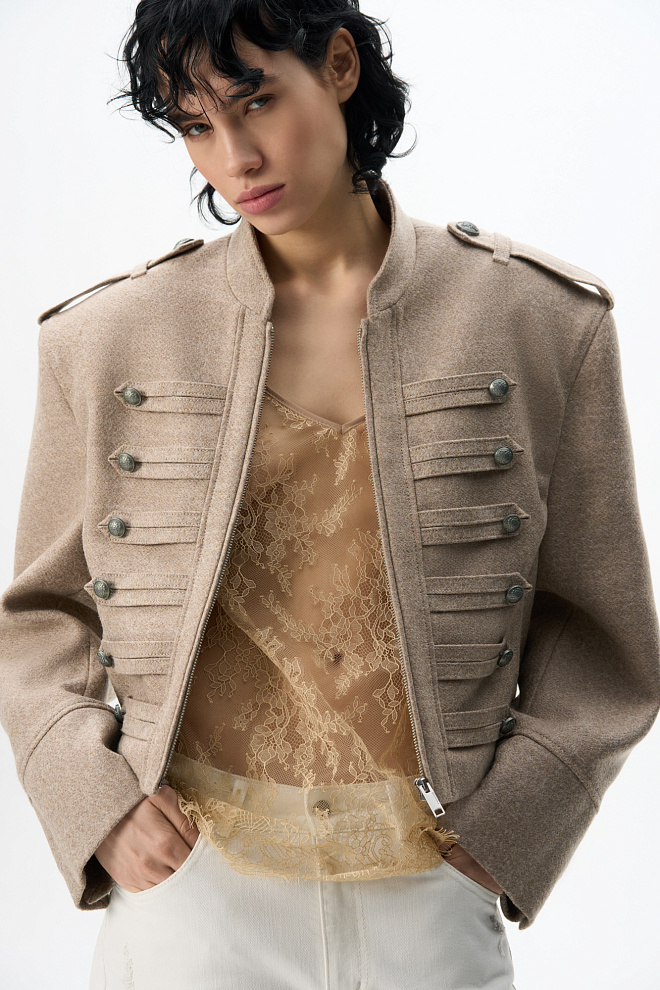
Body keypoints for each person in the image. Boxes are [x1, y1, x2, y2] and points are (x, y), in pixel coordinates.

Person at [0, 2, 658, 988]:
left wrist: (517, 824)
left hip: (431, 893)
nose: (234, 159)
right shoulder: (107, 340)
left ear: (340, 65)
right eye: (195, 125)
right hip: (191, 900)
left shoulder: (540, 321)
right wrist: (96, 804)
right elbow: (41, 618)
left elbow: (602, 630)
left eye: (257, 101)